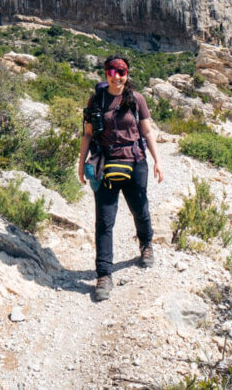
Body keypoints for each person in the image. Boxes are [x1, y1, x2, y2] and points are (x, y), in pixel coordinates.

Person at [77, 55, 163, 302]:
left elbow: (147, 131)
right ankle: (104, 274)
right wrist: (81, 164)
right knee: (104, 221)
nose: (116, 77)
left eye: (121, 72)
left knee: (140, 210)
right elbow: (87, 135)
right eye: (111, 72)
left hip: (135, 162)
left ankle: (146, 245)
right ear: (105, 74)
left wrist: (157, 160)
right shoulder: (96, 101)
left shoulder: (136, 100)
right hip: (106, 164)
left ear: (127, 74)